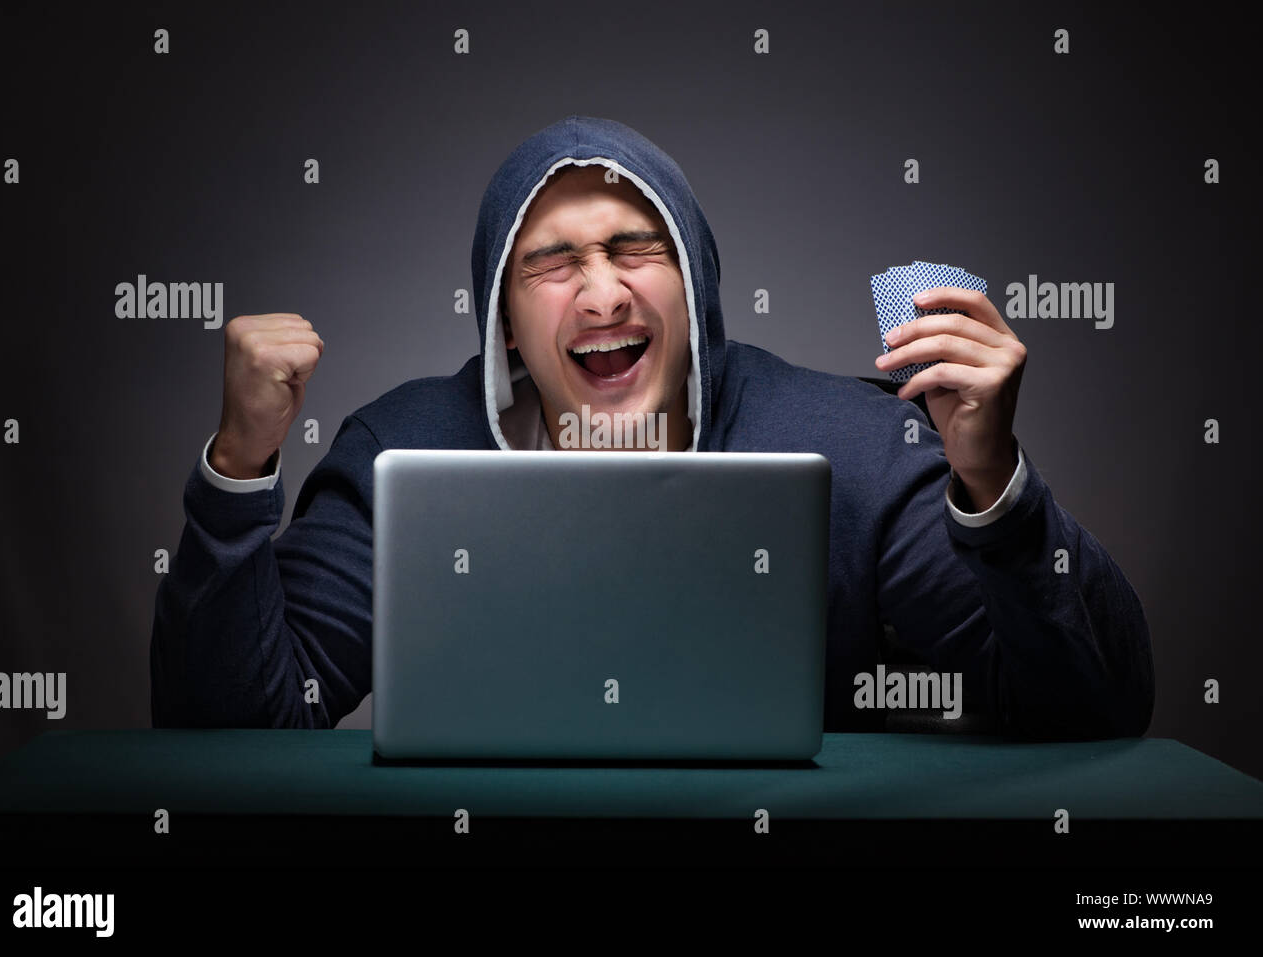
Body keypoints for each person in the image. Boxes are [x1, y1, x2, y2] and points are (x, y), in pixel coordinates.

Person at [151, 115, 1153, 738]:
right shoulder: (397, 449)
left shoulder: (851, 447)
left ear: (697, 282)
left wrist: (995, 490)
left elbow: (1089, 710)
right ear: (503, 315)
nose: (598, 295)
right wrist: (239, 469)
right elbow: (237, 727)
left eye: (635, 247)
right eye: (552, 261)